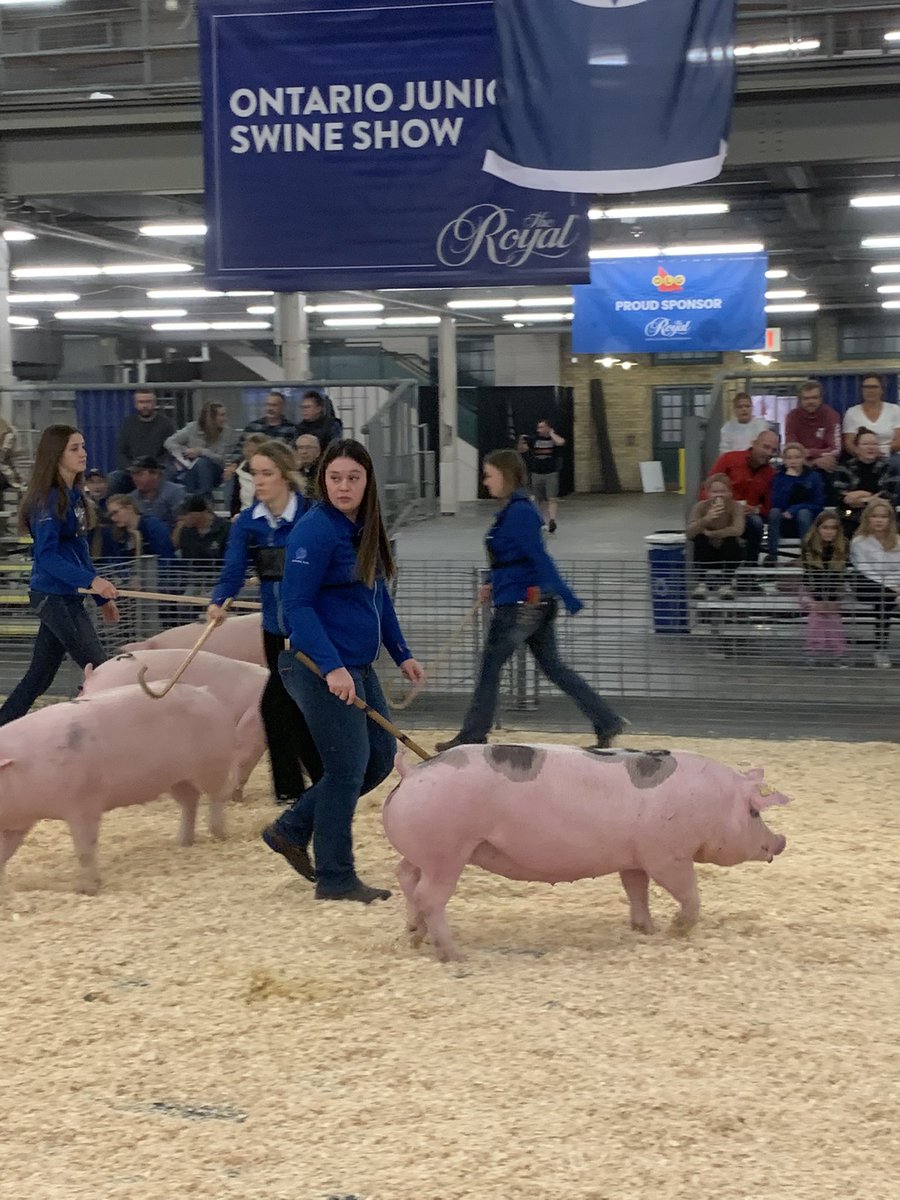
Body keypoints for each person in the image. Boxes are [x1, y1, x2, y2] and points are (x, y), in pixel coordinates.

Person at [264, 438, 424, 903]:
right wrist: (332, 668)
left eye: (353, 477)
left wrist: (402, 652)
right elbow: (295, 606)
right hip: (316, 664)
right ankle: (336, 877)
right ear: (323, 481)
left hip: (356, 665)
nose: (343, 486)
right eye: (335, 478)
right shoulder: (314, 531)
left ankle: (291, 828)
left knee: (377, 758)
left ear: (368, 481)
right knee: (346, 767)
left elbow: (377, 598)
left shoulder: (364, 527)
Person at [436, 448, 623, 754]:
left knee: (490, 666)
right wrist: (490, 581)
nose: (485, 482)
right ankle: (605, 720)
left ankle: (473, 734)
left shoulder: (519, 513)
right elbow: (511, 556)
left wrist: (568, 595)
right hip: (532, 601)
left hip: (520, 603)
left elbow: (538, 557)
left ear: (506, 475)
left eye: (489, 475)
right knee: (553, 667)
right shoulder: (517, 510)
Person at [209, 440, 322, 808]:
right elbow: (234, 568)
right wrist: (219, 599)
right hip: (275, 627)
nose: (258, 480)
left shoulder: (312, 516)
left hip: (311, 624)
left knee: (282, 704)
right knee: (287, 703)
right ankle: (307, 784)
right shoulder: (248, 524)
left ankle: (299, 786)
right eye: (254, 473)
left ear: (286, 475)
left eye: (266, 473)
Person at [0, 425, 119, 727]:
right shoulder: (48, 500)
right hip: (52, 596)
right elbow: (47, 556)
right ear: (56, 455)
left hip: (67, 595)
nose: (83, 453)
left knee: (39, 678)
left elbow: (78, 549)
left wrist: (97, 593)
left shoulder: (74, 496)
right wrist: (92, 582)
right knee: (101, 668)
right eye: (74, 448)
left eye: (82, 446)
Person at [707, 430, 779, 565]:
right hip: (721, 512)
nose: (769, 453)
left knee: (756, 523)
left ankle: (748, 573)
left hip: (749, 520)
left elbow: (770, 506)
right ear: (754, 444)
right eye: (765, 447)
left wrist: (756, 510)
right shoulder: (729, 459)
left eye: (773, 450)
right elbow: (707, 488)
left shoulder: (771, 474)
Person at [850, 498, 900, 668]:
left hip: (891, 589)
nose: (879, 520)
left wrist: (894, 587)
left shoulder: (898, 541)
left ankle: (881, 649)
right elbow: (866, 570)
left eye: (884, 516)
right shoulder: (859, 542)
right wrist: (892, 588)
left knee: (884, 600)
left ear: (890, 520)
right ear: (868, 518)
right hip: (865, 584)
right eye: (875, 516)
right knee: (886, 596)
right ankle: (880, 650)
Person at [686, 473, 745, 600]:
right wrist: (706, 519)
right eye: (715, 492)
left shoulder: (736, 507)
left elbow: (738, 530)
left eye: (723, 491)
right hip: (707, 551)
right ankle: (701, 583)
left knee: (730, 540)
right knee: (699, 538)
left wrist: (712, 533)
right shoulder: (700, 506)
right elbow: (689, 533)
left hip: (728, 550)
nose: (719, 495)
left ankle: (726, 584)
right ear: (708, 493)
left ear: (729, 492)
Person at [765, 442, 825, 565]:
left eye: (797, 457)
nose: (793, 461)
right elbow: (776, 503)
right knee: (774, 512)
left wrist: (794, 509)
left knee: (803, 513)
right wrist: (789, 481)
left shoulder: (813, 477)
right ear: (784, 460)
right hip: (784, 520)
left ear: (803, 459)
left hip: (807, 520)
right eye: (789, 458)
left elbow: (818, 504)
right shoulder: (779, 478)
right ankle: (772, 555)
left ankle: (807, 555)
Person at [833, 429, 900, 538]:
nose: (870, 447)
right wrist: (872, 497)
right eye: (865, 444)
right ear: (857, 448)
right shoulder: (844, 468)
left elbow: (889, 496)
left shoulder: (888, 468)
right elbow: (842, 497)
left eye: (874, 444)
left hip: (882, 515)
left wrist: (861, 496)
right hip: (850, 515)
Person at [164, 401, 239, 498]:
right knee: (170, 469)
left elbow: (221, 459)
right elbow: (169, 442)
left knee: (201, 463)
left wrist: (201, 452)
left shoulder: (228, 433)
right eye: (221, 415)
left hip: (216, 471)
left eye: (225, 415)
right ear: (210, 417)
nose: (225, 419)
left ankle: (202, 501)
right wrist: (185, 452)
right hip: (188, 467)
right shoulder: (192, 428)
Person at [800, 512, 848, 661]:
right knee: (817, 613)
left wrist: (832, 599)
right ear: (817, 528)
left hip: (834, 588)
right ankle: (813, 650)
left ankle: (838, 652)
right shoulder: (808, 544)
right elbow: (809, 574)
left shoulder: (843, 545)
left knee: (832, 615)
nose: (829, 531)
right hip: (810, 588)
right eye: (825, 527)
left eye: (833, 528)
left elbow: (839, 576)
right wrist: (819, 600)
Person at [110, 389, 176, 494]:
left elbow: (170, 452)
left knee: (169, 475)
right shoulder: (127, 424)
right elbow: (120, 452)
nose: (145, 405)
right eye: (141, 402)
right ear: (136, 404)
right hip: (132, 470)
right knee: (114, 478)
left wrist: (154, 468)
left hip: (157, 470)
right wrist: (132, 468)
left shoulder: (166, 424)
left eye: (148, 402)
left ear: (154, 403)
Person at [517, 418, 566, 532]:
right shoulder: (534, 439)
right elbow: (522, 450)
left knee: (552, 498)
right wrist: (521, 441)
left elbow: (561, 442)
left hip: (551, 473)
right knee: (537, 499)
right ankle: (540, 521)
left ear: (548, 427)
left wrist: (551, 433)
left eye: (542, 427)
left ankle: (552, 520)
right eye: (538, 427)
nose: (539, 430)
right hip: (536, 473)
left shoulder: (553, 439)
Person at [784, 380, 842, 476]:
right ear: (800, 400)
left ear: (821, 399)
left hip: (825, 467)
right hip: (799, 467)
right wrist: (813, 463)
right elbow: (791, 449)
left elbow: (836, 450)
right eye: (806, 398)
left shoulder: (831, 415)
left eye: (814, 398)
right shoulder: (792, 416)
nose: (810, 401)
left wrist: (809, 453)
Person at [841, 374, 900, 460]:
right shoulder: (851, 412)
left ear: (882, 390)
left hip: (890, 456)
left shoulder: (895, 410)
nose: (870, 391)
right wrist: (864, 454)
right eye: (866, 387)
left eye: (874, 387)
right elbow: (848, 444)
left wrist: (881, 451)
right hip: (861, 457)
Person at [105, 493, 176, 561]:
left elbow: (164, 556)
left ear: (130, 508)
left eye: (116, 512)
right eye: (110, 515)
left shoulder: (153, 525)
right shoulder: (117, 533)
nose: (113, 518)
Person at [128, 456, 186, 530]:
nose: (135, 478)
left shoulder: (175, 492)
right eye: (133, 474)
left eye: (140, 474)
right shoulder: (132, 497)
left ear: (155, 474)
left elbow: (182, 523)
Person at [174, 494, 231, 563]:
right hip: (190, 573)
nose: (180, 517)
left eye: (185, 514)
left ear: (199, 513)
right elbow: (175, 549)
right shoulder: (185, 531)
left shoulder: (225, 529)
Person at [229, 432, 269, 517]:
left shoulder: (273, 473)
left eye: (255, 452)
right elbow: (235, 502)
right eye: (249, 451)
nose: (251, 455)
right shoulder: (239, 472)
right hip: (244, 516)